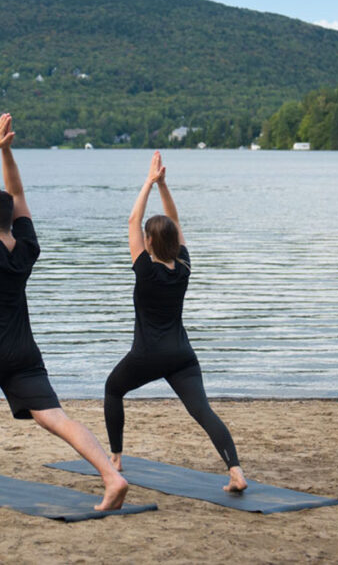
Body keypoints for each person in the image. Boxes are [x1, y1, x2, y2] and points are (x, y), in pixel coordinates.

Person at [0, 113, 128, 510]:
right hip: (21, 354)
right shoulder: (27, 247)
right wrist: (8, 154)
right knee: (55, 417)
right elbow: (20, 196)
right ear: (12, 219)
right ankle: (111, 475)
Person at [104, 151, 247, 493]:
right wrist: (164, 186)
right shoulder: (183, 267)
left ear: (149, 242)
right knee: (203, 412)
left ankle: (117, 458)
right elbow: (175, 221)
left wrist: (149, 182)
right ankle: (236, 472)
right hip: (182, 355)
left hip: (148, 356)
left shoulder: (145, 271)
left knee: (113, 389)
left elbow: (131, 221)